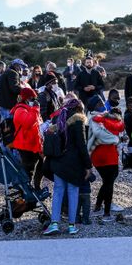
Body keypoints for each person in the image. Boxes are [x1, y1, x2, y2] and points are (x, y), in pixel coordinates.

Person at [43, 99, 92, 236]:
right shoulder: (78, 121)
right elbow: (82, 145)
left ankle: (54, 223)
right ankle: (71, 226)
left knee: (58, 192)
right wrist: (88, 166)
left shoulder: (59, 119)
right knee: (73, 192)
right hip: (73, 164)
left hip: (58, 162)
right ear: (79, 109)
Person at [88, 96, 123, 221]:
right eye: (100, 103)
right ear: (95, 105)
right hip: (107, 153)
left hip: (97, 155)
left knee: (107, 181)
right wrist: (116, 139)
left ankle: (98, 206)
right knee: (109, 183)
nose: (103, 104)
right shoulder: (98, 118)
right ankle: (106, 213)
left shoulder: (96, 117)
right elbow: (102, 134)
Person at [12, 87, 44, 191]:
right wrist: (35, 109)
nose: (34, 101)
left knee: (39, 167)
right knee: (28, 170)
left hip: (33, 144)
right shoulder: (20, 110)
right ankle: (26, 192)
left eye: (35, 98)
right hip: (25, 145)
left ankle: (35, 189)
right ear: (25, 99)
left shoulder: (28, 109)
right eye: (32, 98)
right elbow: (28, 123)